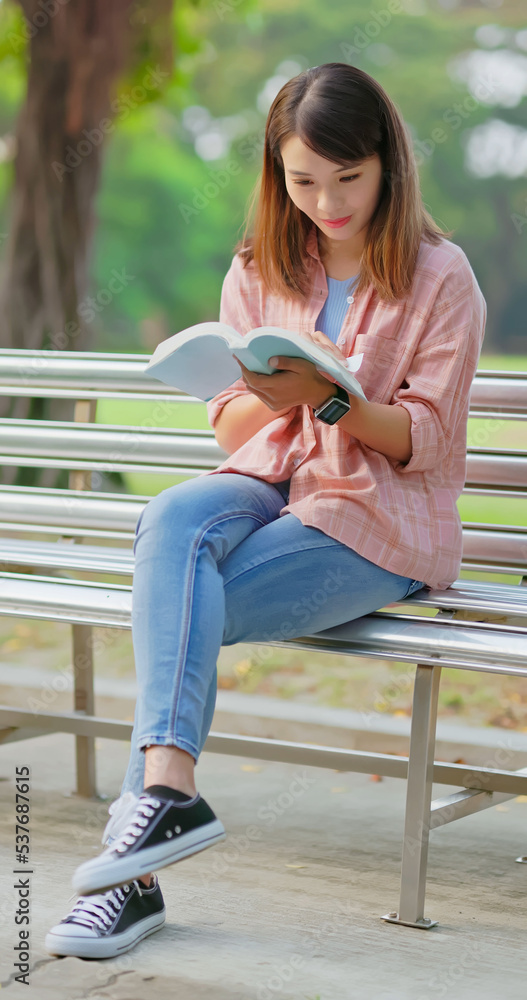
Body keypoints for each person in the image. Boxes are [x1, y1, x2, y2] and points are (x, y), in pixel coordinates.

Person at [45, 62, 486, 959]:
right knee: (172, 520)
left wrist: (328, 395)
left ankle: (129, 884)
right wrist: (266, 389)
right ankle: (168, 792)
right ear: (275, 174)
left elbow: (424, 443)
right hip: (271, 482)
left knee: (172, 612)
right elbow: (234, 430)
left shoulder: (440, 277)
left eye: (347, 179)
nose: (327, 201)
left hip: (375, 516)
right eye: (302, 180)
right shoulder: (262, 264)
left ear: (387, 166)